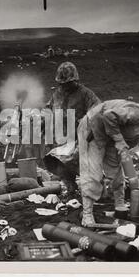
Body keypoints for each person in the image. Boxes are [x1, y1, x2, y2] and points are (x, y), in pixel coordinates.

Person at [78, 100, 139, 226]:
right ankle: (87, 214)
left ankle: (120, 206)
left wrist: (122, 149)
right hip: (93, 129)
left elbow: (126, 138)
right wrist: (120, 141)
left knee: (116, 171)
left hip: (110, 135)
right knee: (92, 172)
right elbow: (108, 115)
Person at [44, 61, 101, 193]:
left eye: (68, 83)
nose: (65, 86)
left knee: (85, 165)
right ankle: (71, 188)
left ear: (75, 80)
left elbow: (97, 109)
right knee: (60, 164)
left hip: (81, 138)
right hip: (62, 138)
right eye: (62, 84)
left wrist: (86, 120)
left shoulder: (86, 94)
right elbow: (48, 109)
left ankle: (97, 190)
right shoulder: (57, 94)